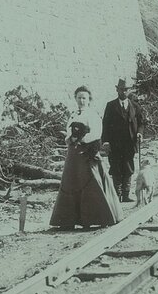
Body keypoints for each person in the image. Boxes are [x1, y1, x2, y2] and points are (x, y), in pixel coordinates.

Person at [50, 85, 122, 229]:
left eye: (84, 98)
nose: (81, 101)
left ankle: (95, 218)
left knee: (90, 181)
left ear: (89, 100)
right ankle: (68, 220)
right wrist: (70, 139)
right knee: (71, 182)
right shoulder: (73, 115)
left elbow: (96, 133)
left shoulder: (92, 115)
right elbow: (68, 131)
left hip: (86, 152)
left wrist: (81, 139)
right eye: (79, 98)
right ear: (75, 99)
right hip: (73, 155)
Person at [102, 78, 146, 204]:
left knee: (128, 167)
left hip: (129, 143)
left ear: (129, 91)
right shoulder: (111, 106)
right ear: (117, 90)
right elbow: (105, 124)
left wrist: (139, 133)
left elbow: (142, 122)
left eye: (126, 90)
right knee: (115, 167)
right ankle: (117, 194)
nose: (124, 92)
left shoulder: (135, 106)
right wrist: (105, 141)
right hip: (114, 143)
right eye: (121, 89)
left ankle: (126, 195)